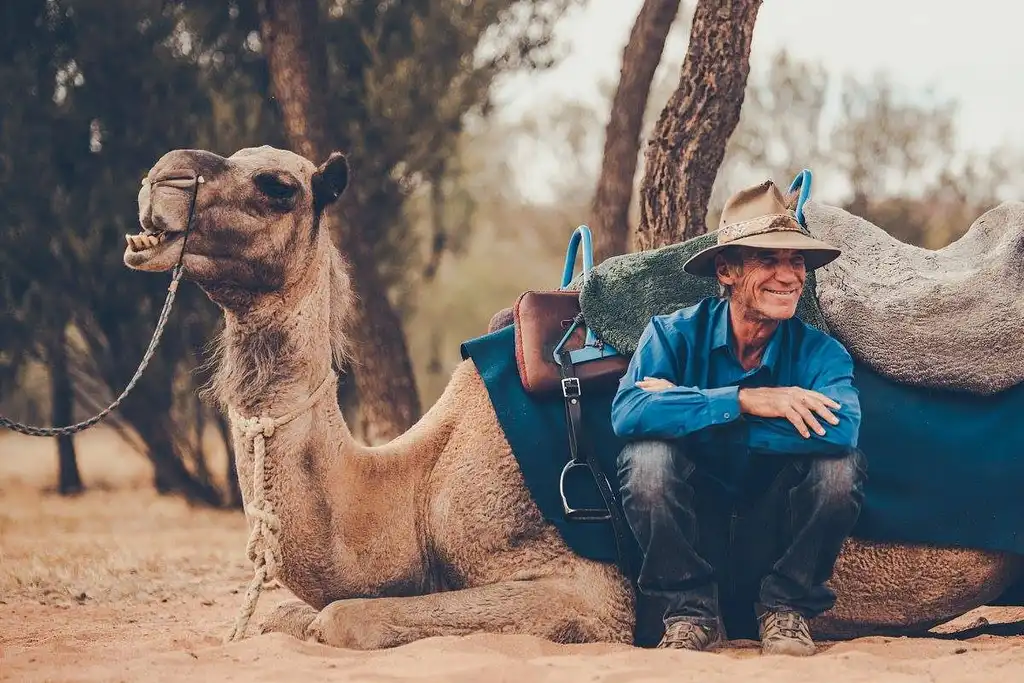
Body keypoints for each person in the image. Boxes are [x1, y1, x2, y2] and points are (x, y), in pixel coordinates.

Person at [611, 180, 866, 656]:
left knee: (839, 471)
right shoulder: (670, 335)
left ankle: (786, 610)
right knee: (645, 460)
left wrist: (689, 408)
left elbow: (841, 430)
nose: (789, 276)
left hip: (773, 522)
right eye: (769, 260)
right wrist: (746, 401)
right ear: (726, 270)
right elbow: (627, 413)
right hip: (691, 518)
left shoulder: (821, 353)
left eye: (797, 261)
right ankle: (690, 614)